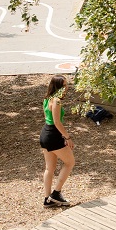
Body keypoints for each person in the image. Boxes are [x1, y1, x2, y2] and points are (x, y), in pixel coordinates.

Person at [39, 77, 75, 208]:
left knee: (50, 168)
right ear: (58, 87)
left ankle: (47, 199)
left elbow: (47, 118)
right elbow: (57, 122)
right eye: (64, 85)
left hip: (45, 134)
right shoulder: (57, 101)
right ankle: (56, 193)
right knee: (70, 162)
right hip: (53, 135)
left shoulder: (46, 99)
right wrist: (67, 137)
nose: (67, 87)